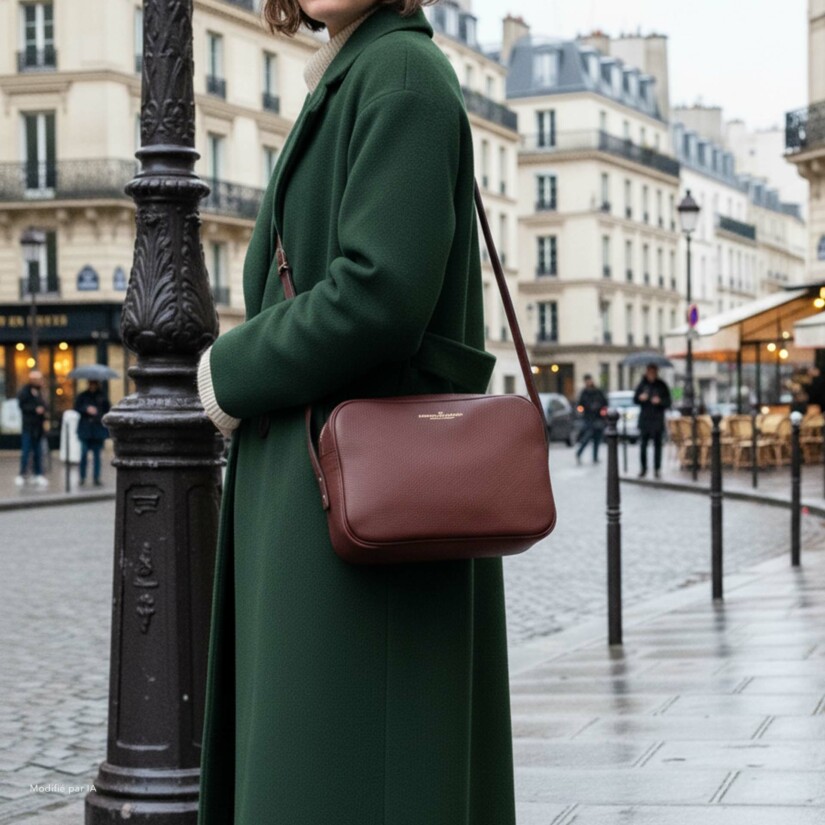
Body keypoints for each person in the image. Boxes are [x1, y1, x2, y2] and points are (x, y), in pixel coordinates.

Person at [194, 3, 516, 824]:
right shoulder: (354, 71)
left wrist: (228, 370)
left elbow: (379, 294)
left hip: (354, 514)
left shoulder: (399, 76)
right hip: (322, 496)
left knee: (337, 777)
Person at [634, 363, 672, 479]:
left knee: (657, 445)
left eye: (653, 372)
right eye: (649, 371)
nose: (651, 374)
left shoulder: (661, 385)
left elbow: (668, 402)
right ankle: (643, 468)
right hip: (645, 419)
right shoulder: (642, 385)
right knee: (643, 445)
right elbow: (635, 399)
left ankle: (657, 469)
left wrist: (659, 401)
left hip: (657, 419)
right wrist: (641, 398)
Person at [15, 370, 49, 488]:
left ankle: (38, 474)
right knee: (26, 451)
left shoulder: (41, 393)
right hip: (28, 426)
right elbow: (21, 405)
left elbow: (46, 405)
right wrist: (35, 409)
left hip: (38, 428)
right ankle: (22, 474)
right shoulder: (25, 392)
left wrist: (42, 409)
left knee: (38, 452)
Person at [74, 380, 110, 486]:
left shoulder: (102, 396)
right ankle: (82, 477)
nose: (92, 386)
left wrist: (97, 412)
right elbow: (76, 408)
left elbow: (107, 410)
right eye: (91, 384)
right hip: (85, 429)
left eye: (94, 384)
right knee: (83, 453)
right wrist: (86, 409)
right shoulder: (82, 396)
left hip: (97, 429)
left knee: (97, 455)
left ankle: (96, 477)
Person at [575, 374, 608, 464]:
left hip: (598, 418)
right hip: (588, 418)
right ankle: (579, 452)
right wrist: (586, 408)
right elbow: (580, 404)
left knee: (597, 438)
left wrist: (601, 409)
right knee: (587, 436)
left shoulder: (598, 391)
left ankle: (595, 457)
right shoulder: (584, 393)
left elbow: (605, 402)